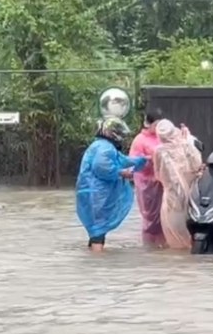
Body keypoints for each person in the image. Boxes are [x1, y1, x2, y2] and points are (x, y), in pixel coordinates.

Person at [75, 117, 147, 252]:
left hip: (92, 193)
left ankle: (93, 255)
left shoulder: (100, 145)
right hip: (97, 195)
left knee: (96, 228)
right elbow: (102, 168)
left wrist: (140, 161)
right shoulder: (106, 148)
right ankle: (98, 259)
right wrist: (122, 173)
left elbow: (122, 159)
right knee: (98, 228)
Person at [153, 119, 203, 249]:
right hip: (193, 193)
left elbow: (157, 173)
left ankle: (177, 260)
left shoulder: (159, 151)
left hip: (171, 196)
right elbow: (198, 164)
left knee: (173, 230)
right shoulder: (186, 145)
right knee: (190, 226)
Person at [129, 108, 165, 247]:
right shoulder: (140, 140)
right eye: (156, 125)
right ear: (148, 124)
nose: (158, 128)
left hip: (162, 182)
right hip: (146, 183)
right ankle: (149, 247)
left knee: (164, 217)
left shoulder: (163, 137)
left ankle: (163, 245)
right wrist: (149, 159)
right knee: (149, 217)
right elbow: (133, 162)